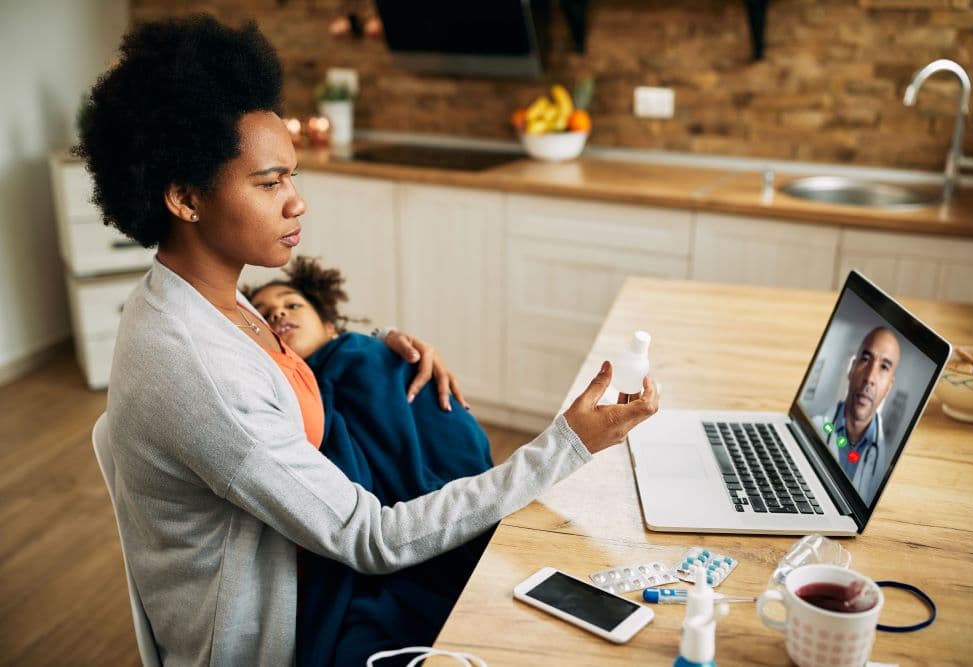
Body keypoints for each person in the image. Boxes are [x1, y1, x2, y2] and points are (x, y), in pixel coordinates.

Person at [76, 15, 658, 666]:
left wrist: (382, 342)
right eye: (270, 183)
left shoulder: (202, 293)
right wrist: (567, 444)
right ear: (185, 198)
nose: (297, 202)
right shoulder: (195, 367)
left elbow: (280, 364)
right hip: (289, 625)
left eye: (292, 176)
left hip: (309, 559)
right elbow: (370, 537)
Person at [245, 258, 496, 664]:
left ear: (329, 326)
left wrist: (382, 337)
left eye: (292, 304)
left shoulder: (370, 355)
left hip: (442, 513)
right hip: (369, 539)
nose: (278, 313)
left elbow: (455, 444)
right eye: (263, 313)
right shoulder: (276, 392)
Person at [813, 327, 900, 504]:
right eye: (866, 359)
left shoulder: (890, 468)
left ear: (889, 387)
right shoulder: (816, 425)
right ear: (852, 369)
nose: (870, 378)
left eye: (884, 367)